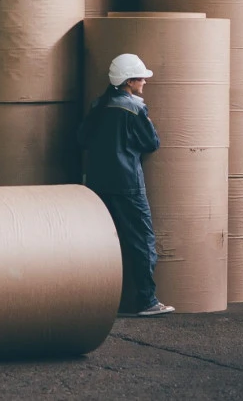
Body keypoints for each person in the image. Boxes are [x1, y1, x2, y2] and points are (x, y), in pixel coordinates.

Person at [78, 53, 175, 317]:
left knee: (104, 243)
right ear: (129, 81)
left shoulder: (98, 105)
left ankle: (99, 301)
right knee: (142, 241)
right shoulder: (135, 108)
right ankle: (147, 301)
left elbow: (82, 138)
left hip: (98, 184)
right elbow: (152, 144)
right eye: (140, 77)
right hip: (128, 183)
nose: (144, 81)